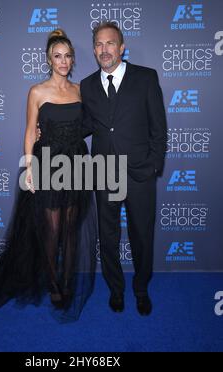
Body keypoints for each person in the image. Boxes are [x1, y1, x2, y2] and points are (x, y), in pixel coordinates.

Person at [0, 29, 97, 323]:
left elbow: (87, 125)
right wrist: (29, 167)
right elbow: (30, 131)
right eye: (57, 56)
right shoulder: (37, 91)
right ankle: (54, 285)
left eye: (67, 56)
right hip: (48, 164)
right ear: (48, 59)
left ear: (73, 60)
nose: (63, 61)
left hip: (78, 163)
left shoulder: (80, 90)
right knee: (51, 231)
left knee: (70, 228)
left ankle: (67, 282)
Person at [80, 21, 167, 315]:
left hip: (140, 172)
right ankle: (115, 289)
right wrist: (52, 130)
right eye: (99, 45)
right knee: (108, 236)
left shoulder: (145, 78)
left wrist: (154, 164)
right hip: (104, 172)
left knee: (142, 234)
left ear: (122, 47)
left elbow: (159, 127)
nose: (105, 50)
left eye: (110, 43)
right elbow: (87, 124)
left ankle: (141, 290)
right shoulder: (88, 85)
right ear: (94, 50)